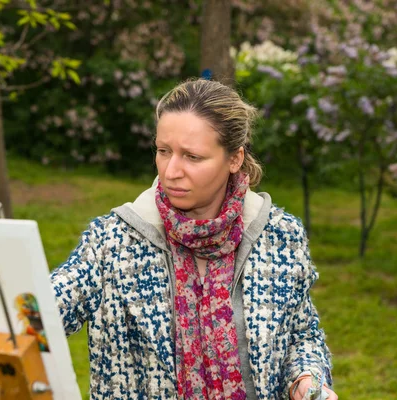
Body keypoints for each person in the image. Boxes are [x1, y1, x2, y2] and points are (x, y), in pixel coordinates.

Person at [51, 78, 336, 400]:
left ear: (234, 159)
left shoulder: (280, 237)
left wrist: (307, 378)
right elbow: (44, 311)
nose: (171, 170)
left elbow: (301, 334)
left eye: (192, 157)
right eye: (163, 151)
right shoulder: (112, 242)